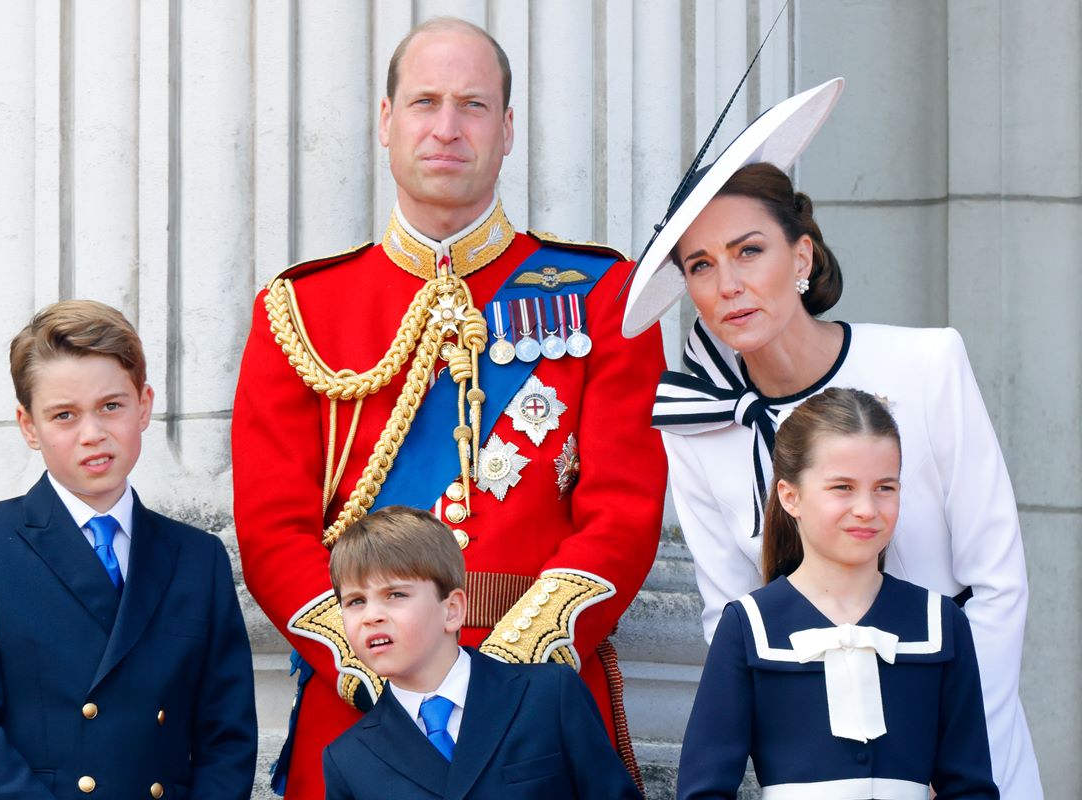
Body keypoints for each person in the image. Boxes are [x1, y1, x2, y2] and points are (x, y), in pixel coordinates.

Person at [232, 16, 666, 797]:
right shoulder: (300, 311)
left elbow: (623, 515)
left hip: (540, 703)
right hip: (365, 702)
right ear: (386, 123)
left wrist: (501, 679)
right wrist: (379, 663)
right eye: (425, 101)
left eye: (472, 105)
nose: (446, 126)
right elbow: (273, 533)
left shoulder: (603, 296)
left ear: (506, 130)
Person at [622, 79, 1041, 796]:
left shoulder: (927, 364)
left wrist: (949, 762)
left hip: (964, 757)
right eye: (700, 266)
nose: (728, 284)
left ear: (804, 257)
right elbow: (731, 613)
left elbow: (997, 587)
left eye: (748, 250)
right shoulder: (698, 425)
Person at [0, 300, 258, 799]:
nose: (92, 433)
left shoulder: (198, 558)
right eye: (64, 415)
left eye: (111, 406)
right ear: (29, 426)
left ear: (143, 405)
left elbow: (227, 736)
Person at [674, 389, 998, 799]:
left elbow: (971, 788)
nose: (866, 508)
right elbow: (704, 791)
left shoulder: (940, 621)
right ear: (791, 496)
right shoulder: (749, 626)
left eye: (885, 488)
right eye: (843, 487)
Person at [322, 506, 642, 799]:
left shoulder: (548, 695)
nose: (371, 616)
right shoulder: (348, 758)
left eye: (395, 594)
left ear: (452, 610)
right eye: (355, 601)